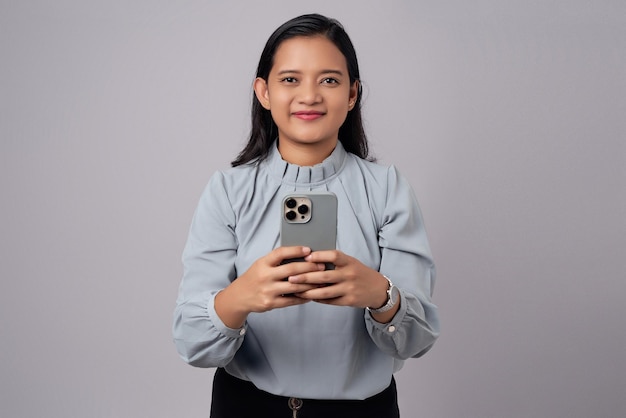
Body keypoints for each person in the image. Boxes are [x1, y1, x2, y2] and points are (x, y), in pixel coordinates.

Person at [173, 13, 440, 418]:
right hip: (244, 406)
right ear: (263, 91)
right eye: (290, 79)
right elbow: (191, 342)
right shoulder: (228, 190)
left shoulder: (387, 189)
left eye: (329, 80)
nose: (310, 96)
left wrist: (380, 295)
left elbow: (416, 341)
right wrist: (240, 297)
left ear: (353, 94)